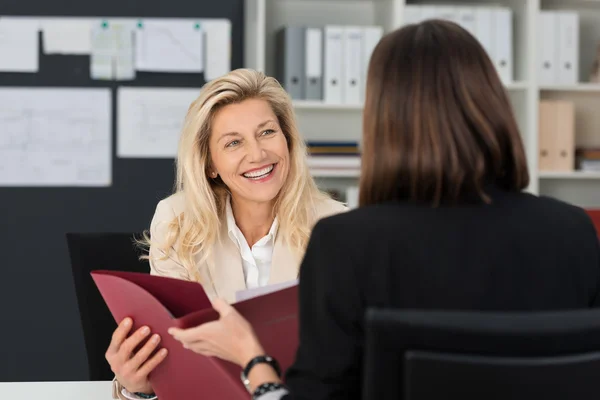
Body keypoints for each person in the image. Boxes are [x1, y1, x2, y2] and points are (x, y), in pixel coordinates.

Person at [167, 19, 600, 400]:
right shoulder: (574, 232)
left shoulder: (347, 244)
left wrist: (253, 360)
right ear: (496, 108)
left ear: (382, 120)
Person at [105, 68, 348, 400]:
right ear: (210, 164)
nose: (258, 154)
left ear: (288, 141)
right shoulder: (178, 221)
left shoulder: (338, 229)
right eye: (234, 142)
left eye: (267, 132)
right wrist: (140, 385)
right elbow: (174, 361)